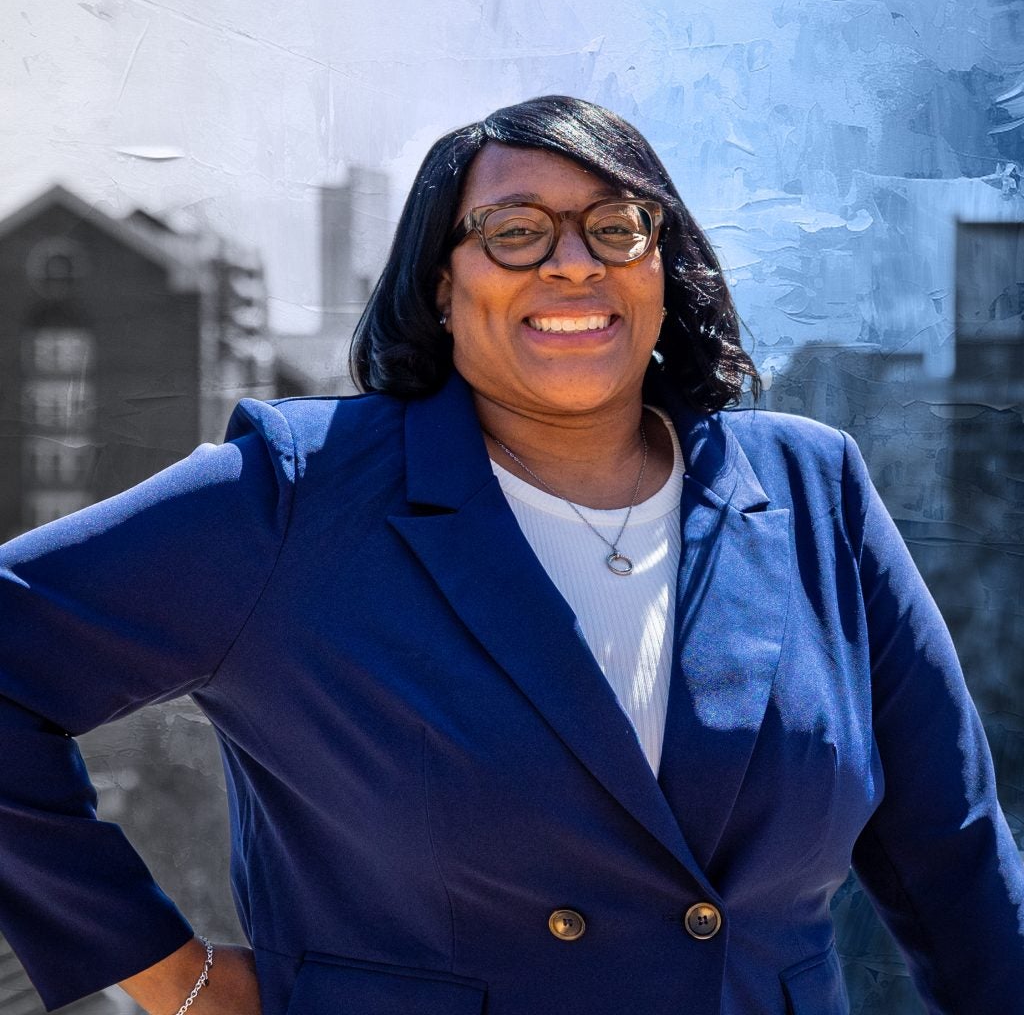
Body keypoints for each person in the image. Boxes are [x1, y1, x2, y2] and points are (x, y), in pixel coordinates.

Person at [0, 95, 1021, 1015]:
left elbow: (956, 858)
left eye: (616, 227)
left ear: (664, 271)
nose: (573, 263)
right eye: (515, 231)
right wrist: (172, 976)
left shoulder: (813, 488)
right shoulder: (301, 495)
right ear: (442, 285)